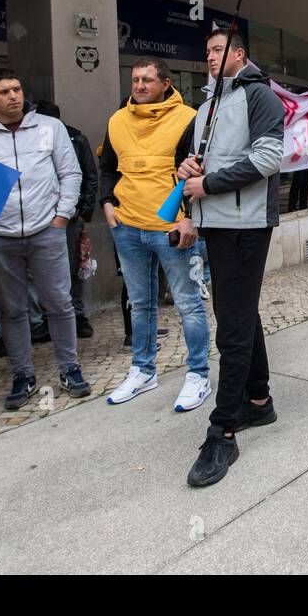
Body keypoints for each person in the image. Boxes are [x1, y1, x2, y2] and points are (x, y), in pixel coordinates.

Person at [176, 27, 285, 487]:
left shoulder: (261, 96)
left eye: (218, 50)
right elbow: (190, 162)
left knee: (233, 327)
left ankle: (222, 429)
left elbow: (269, 157)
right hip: (214, 225)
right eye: (206, 52)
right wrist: (187, 170)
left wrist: (211, 183)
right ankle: (258, 402)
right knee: (239, 314)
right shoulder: (205, 108)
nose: (210, 58)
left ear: (239, 55)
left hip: (246, 226)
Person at [0, 70, 90, 409]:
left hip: (47, 230)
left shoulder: (49, 127)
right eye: (4, 91)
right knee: (12, 309)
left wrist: (62, 217)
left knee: (59, 303)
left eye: (17, 89)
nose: (13, 96)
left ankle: (70, 368)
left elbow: (70, 172)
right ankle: (23, 374)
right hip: (0, 237)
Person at [100, 57, 212, 412]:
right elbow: (106, 168)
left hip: (173, 230)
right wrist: (107, 205)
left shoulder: (189, 118)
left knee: (188, 303)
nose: (139, 86)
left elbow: (198, 173)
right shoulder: (117, 120)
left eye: (147, 80)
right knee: (140, 304)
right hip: (128, 227)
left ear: (166, 83)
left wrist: (188, 218)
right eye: (135, 79)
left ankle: (198, 374)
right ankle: (142, 370)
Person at [35, 101, 99, 338]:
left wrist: (83, 213)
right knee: (40, 271)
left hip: (70, 217)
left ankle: (77, 315)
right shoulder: (27, 141)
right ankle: (43, 317)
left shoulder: (75, 140)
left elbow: (89, 176)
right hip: (38, 216)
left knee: (74, 267)